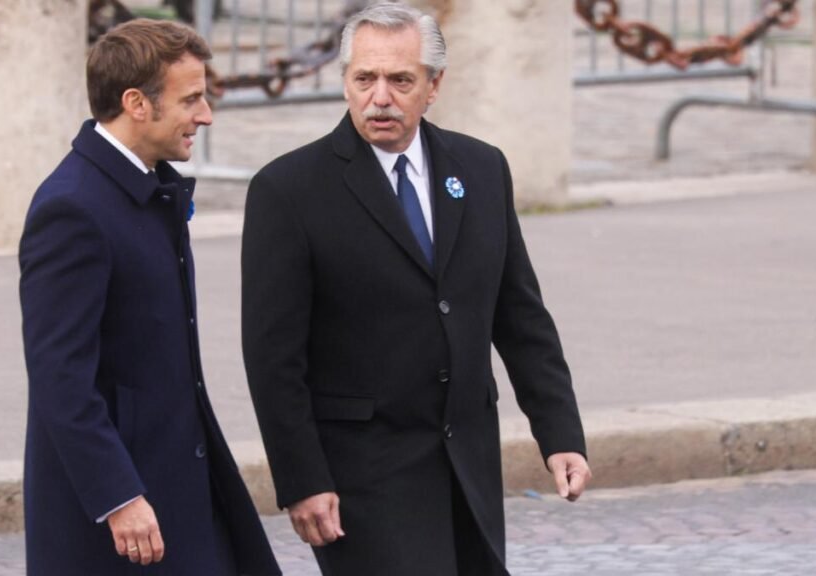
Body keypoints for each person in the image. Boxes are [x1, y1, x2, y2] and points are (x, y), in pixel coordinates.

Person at [241, 3, 591, 575]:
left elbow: (519, 314)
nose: (381, 97)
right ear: (346, 82)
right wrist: (302, 480)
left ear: (433, 86)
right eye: (365, 79)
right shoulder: (288, 190)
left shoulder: (480, 169)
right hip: (362, 479)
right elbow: (273, 357)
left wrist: (560, 433)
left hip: (467, 466)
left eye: (400, 80)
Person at [19, 19, 280, 576]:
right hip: (122, 515)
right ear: (137, 103)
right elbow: (60, 378)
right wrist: (119, 497)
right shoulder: (72, 209)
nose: (205, 115)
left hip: (179, 484)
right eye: (190, 99)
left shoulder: (144, 184)